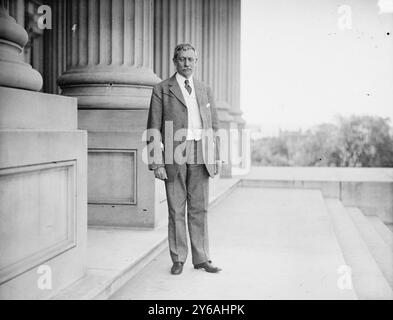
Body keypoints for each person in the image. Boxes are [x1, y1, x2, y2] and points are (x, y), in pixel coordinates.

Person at [146, 43, 222, 275]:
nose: (187, 64)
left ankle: (201, 258)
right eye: (182, 59)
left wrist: (216, 157)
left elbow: (213, 126)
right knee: (176, 208)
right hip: (174, 153)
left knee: (199, 207)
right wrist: (157, 162)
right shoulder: (162, 89)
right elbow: (153, 128)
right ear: (174, 61)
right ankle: (178, 258)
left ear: (196, 62)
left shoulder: (204, 89)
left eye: (191, 59)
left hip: (200, 151)